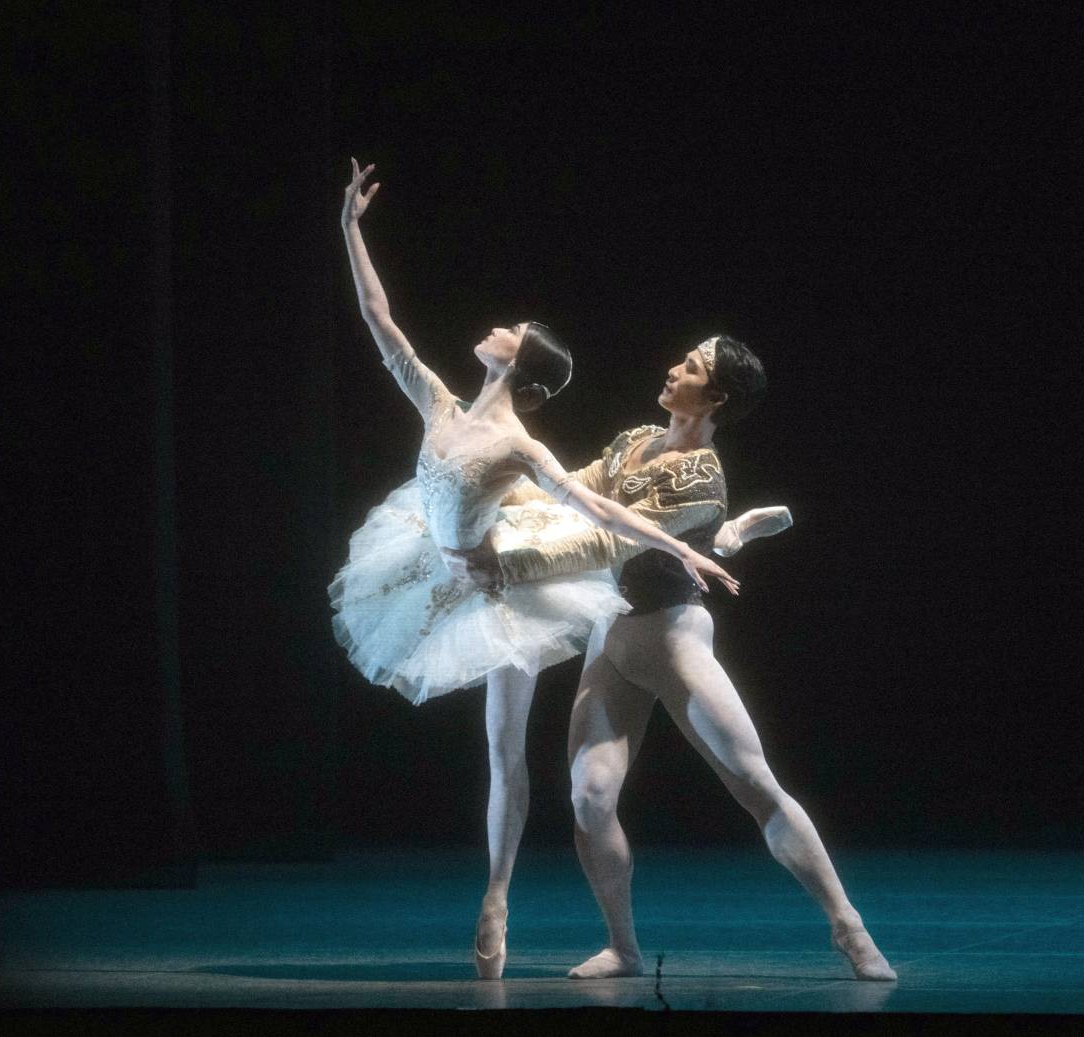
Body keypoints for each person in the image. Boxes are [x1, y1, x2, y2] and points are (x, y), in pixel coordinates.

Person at [330, 159, 740, 979]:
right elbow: (381, 322)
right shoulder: (441, 403)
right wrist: (350, 227)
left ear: (520, 363)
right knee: (498, 753)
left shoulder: (521, 443)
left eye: (510, 330)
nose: (497, 327)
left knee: (504, 751)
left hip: (503, 589)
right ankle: (496, 892)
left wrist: (685, 544)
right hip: (429, 563)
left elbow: (602, 513)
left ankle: (497, 893)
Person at [461, 335, 899, 982]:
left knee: (755, 784)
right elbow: (571, 495)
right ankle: (624, 947)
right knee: (589, 794)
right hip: (613, 638)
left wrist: (505, 560)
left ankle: (849, 927)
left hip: (671, 640)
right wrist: (488, 496)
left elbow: (604, 540)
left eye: (691, 367)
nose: (672, 368)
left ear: (715, 396)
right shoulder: (634, 438)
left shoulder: (702, 478)